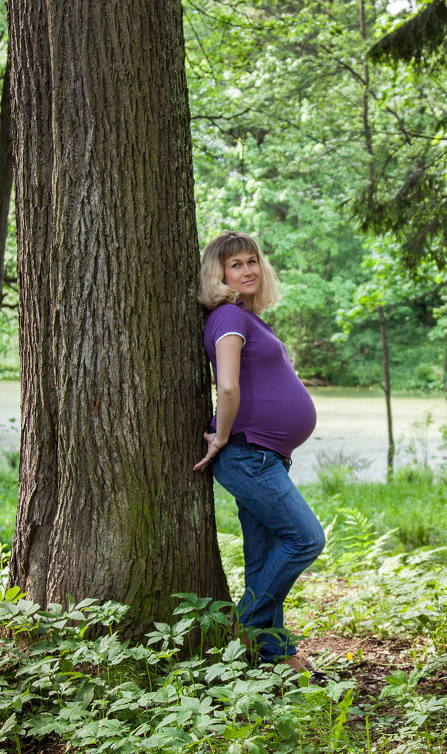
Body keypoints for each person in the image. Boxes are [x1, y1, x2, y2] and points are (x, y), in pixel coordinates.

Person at [192, 230, 324, 672]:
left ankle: (275, 658)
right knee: (306, 538)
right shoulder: (228, 316)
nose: (247, 270)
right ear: (219, 273)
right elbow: (226, 385)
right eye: (235, 264)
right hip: (248, 454)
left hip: (266, 455)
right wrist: (223, 437)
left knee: (264, 562)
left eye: (252, 261)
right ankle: (242, 630)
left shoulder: (249, 318)